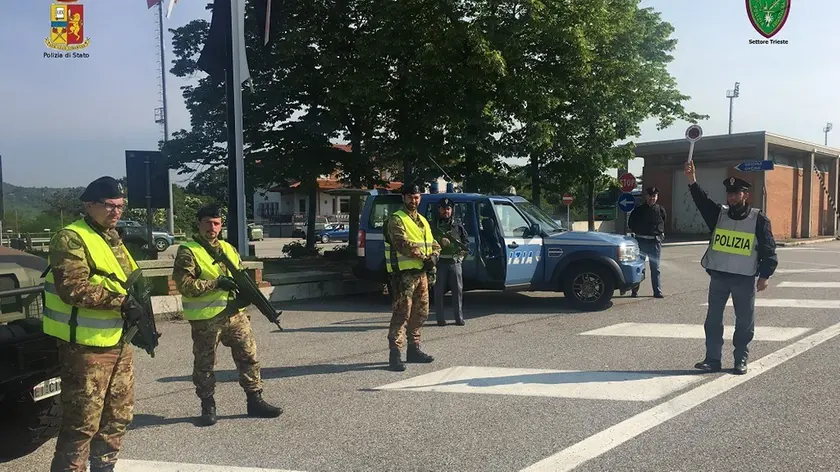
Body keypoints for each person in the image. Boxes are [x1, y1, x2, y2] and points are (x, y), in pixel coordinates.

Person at [43, 176, 140, 472]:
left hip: (117, 340)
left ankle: (104, 467)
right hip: (85, 348)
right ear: (89, 205)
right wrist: (121, 302)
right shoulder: (71, 237)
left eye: (120, 206)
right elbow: (72, 288)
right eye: (109, 205)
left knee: (118, 417)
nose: (116, 211)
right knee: (82, 424)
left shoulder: (112, 237)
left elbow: (126, 281)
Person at [172, 204, 282, 426]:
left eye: (216, 223)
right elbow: (184, 286)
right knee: (205, 364)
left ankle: (255, 400)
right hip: (206, 318)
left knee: (249, 356)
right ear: (198, 224)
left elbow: (241, 278)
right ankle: (208, 406)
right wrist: (216, 283)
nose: (212, 228)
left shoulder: (228, 248)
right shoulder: (189, 251)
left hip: (235, 314)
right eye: (207, 223)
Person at [685, 161, 778, 375]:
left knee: (744, 322)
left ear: (746, 195)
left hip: (744, 278)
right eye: (729, 194)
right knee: (712, 321)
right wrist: (692, 180)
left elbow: (768, 249)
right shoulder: (719, 215)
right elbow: (702, 202)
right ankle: (712, 359)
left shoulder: (758, 219)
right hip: (719, 277)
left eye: (736, 194)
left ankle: (740, 359)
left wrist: (765, 276)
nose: (732, 197)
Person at [384, 183, 441, 371]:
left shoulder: (423, 220)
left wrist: (435, 255)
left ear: (420, 198)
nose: (413, 201)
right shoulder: (396, 219)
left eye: (416, 197)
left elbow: (433, 243)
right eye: (410, 197)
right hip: (404, 275)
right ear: (403, 198)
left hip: (421, 274)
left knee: (421, 313)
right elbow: (401, 243)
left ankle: (414, 349)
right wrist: (425, 258)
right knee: (402, 314)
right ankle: (395, 354)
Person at [431, 197, 469, 326]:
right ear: (438, 209)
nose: (445, 211)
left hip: (454, 263)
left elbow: (466, 243)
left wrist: (461, 257)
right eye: (443, 209)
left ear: (451, 210)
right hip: (439, 263)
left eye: (448, 209)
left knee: (457, 291)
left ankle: (459, 318)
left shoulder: (458, 226)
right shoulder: (433, 226)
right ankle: (440, 319)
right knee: (438, 292)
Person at [628, 186, 667, 298]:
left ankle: (657, 292)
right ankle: (634, 291)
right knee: (639, 267)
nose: (652, 198)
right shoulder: (638, 210)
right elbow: (631, 224)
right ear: (646, 196)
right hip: (641, 242)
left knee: (656, 269)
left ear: (657, 197)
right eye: (650, 196)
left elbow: (663, 223)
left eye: (654, 196)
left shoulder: (660, 210)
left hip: (655, 243)